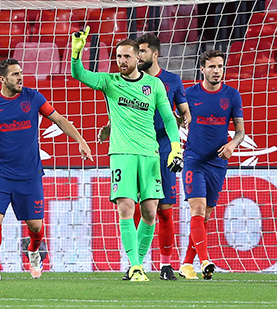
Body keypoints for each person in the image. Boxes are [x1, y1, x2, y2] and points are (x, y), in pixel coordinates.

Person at [0, 58, 92, 282]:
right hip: (1, 172)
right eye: (15, 74)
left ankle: (34, 251)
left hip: (30, 175)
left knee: (35, 226)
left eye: (20, 73)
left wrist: (80, 140)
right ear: (2, 79)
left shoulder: (33, 97)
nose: (20, 77)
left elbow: (59, 119)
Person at [71, 27, 182, 282]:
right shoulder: (109, 82)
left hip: (150, 154)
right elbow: (79, 75)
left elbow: (168, 118)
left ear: (137, 59)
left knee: (150, 212)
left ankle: (138, 264)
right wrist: (77, 54)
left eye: (126, 57)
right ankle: (134, 266)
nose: (121, 61)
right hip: (121, 153)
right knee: (125, 209)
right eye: (118, 57)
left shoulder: (154, 85)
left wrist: (175, 148)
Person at [98, 33, 191, 281]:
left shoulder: (170, 81)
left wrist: (177, 142)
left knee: (162, 209)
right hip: (133, 148)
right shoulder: (122, 82)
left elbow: (181, 114)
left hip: (160, 150)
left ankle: (165, 264)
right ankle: (136, 264)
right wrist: (111, 126)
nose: (137, 56)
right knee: (130, 207)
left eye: (142, 51)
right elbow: (126, 112)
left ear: (152, 54)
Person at [178, 49, 244, 280]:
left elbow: (240, 132)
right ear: (202, 69)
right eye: (212, 67)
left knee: (205, 216)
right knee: (197, 208)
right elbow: (176, 119)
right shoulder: (188, 94)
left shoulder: (232, 95)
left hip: (217, 163)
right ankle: (205, 260)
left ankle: (186, 263)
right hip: (194, 160)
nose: (217, 71)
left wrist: (232, 145)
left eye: (220, 66)